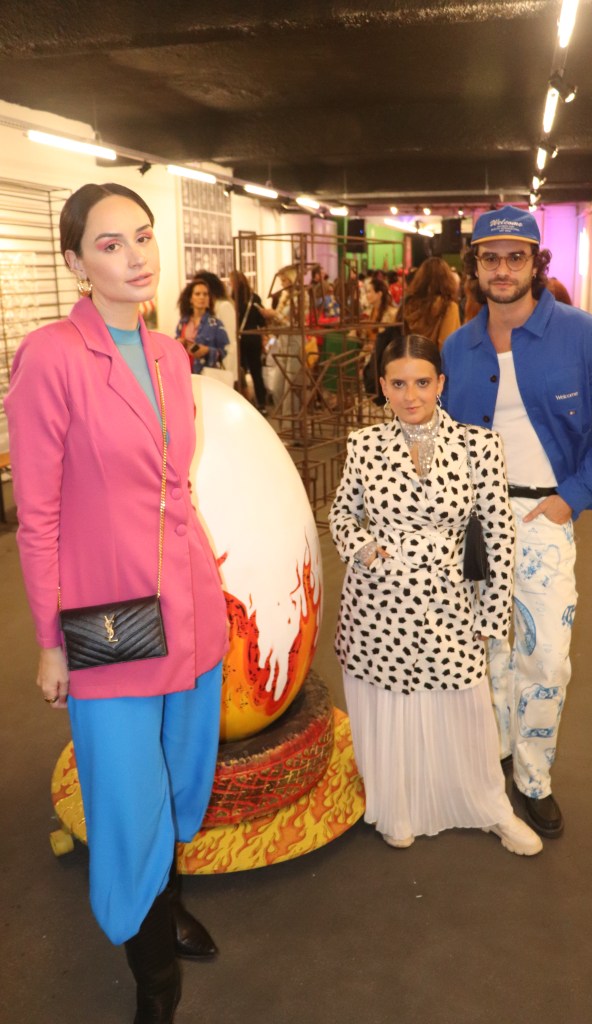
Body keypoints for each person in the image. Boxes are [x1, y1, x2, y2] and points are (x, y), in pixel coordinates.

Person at [5, 182, 228, 1023]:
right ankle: (153, 979)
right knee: (129, 796)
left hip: (188, 606)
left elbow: (173, 489)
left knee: (180, 776)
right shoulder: (52, 357)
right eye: (109, 244)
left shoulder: (171, 353)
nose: (135, 257)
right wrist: (49, 640)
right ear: (75, 261)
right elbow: (38, 515)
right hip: (108, 623)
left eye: (142, 235)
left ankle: (165, 907)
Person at [441, 205, 592, 838]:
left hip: (544, 517)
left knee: (545, 658)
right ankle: (498, 754)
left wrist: (570, 498)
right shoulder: (458, 347)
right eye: (490, 258)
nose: (502, 270)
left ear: (535, 263)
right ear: (475, 267)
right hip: (474, 523)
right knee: (485, 651)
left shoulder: (581, 335)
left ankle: (534, 778)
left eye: (515, 257)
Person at [329, 333, 541, 856]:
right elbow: (340, 516)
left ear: (440, 383)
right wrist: (365, 550)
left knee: (463, 705)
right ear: (383, 386)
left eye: (422, 382)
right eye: (399, 384)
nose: (411, 396)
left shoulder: (478, 445)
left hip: (450, 600)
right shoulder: (364, 445)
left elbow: (499, 533)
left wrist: (491, 615)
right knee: (391, 704)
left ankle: (489, 806)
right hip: (378, 603)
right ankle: (396, 805)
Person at [229, 268, 270, 413]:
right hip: (254, 338)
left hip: (240, 339)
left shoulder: (232, 298)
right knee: (256, 372)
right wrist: (264, 338)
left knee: (240, 372)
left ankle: (243, 403)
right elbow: (262, 320)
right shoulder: (255, 297)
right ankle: (262, 403)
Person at [403, 255, 461, 348]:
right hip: (435, 357)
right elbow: (446, 344)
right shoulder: (448, 306)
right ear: (447, 279)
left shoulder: (409, 304)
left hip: (410, 355)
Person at [192, 269, 239, 381]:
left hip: (221, 366)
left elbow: (229, 342)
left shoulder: (224, 306)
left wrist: (225, 367)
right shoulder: (206, 310)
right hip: (206, 366)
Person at [175, 278, 229, 374]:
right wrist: (178, 343)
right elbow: (175, 345)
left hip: (206, 375)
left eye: (205, 294)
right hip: (185, 372)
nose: (202, 297)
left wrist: (207, 351)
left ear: (209, 298)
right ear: (190, 299)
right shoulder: (183, 322)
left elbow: (224, 352)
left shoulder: (216, 324)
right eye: (197, 294)